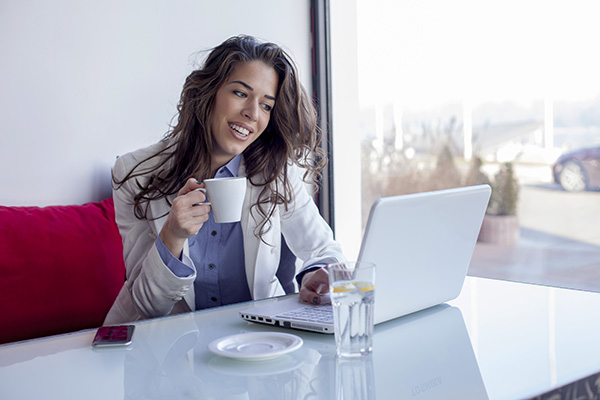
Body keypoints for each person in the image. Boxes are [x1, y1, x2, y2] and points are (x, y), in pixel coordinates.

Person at [104, 35, 344, 325]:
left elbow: (323, 250)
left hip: (256, 342)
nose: (252, 114)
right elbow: (147, 304)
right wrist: (173, 235)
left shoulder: (276, 171)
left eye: (266, 106)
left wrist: (319, 275)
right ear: (209, 92)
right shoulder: (136, 173)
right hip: (166, 350)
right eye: (241, 93)